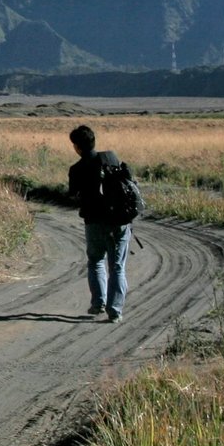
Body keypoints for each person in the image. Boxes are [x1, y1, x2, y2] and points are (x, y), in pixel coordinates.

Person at [67, 124, 131, 323]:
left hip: (93, 222)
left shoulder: (76, 169)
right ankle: (115, 311)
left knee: (95, 261)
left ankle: (98, 303)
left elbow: (72, 195)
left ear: (77, 146)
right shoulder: (111, 157)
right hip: (119, 221)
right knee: (117, 266)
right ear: (94, 141)